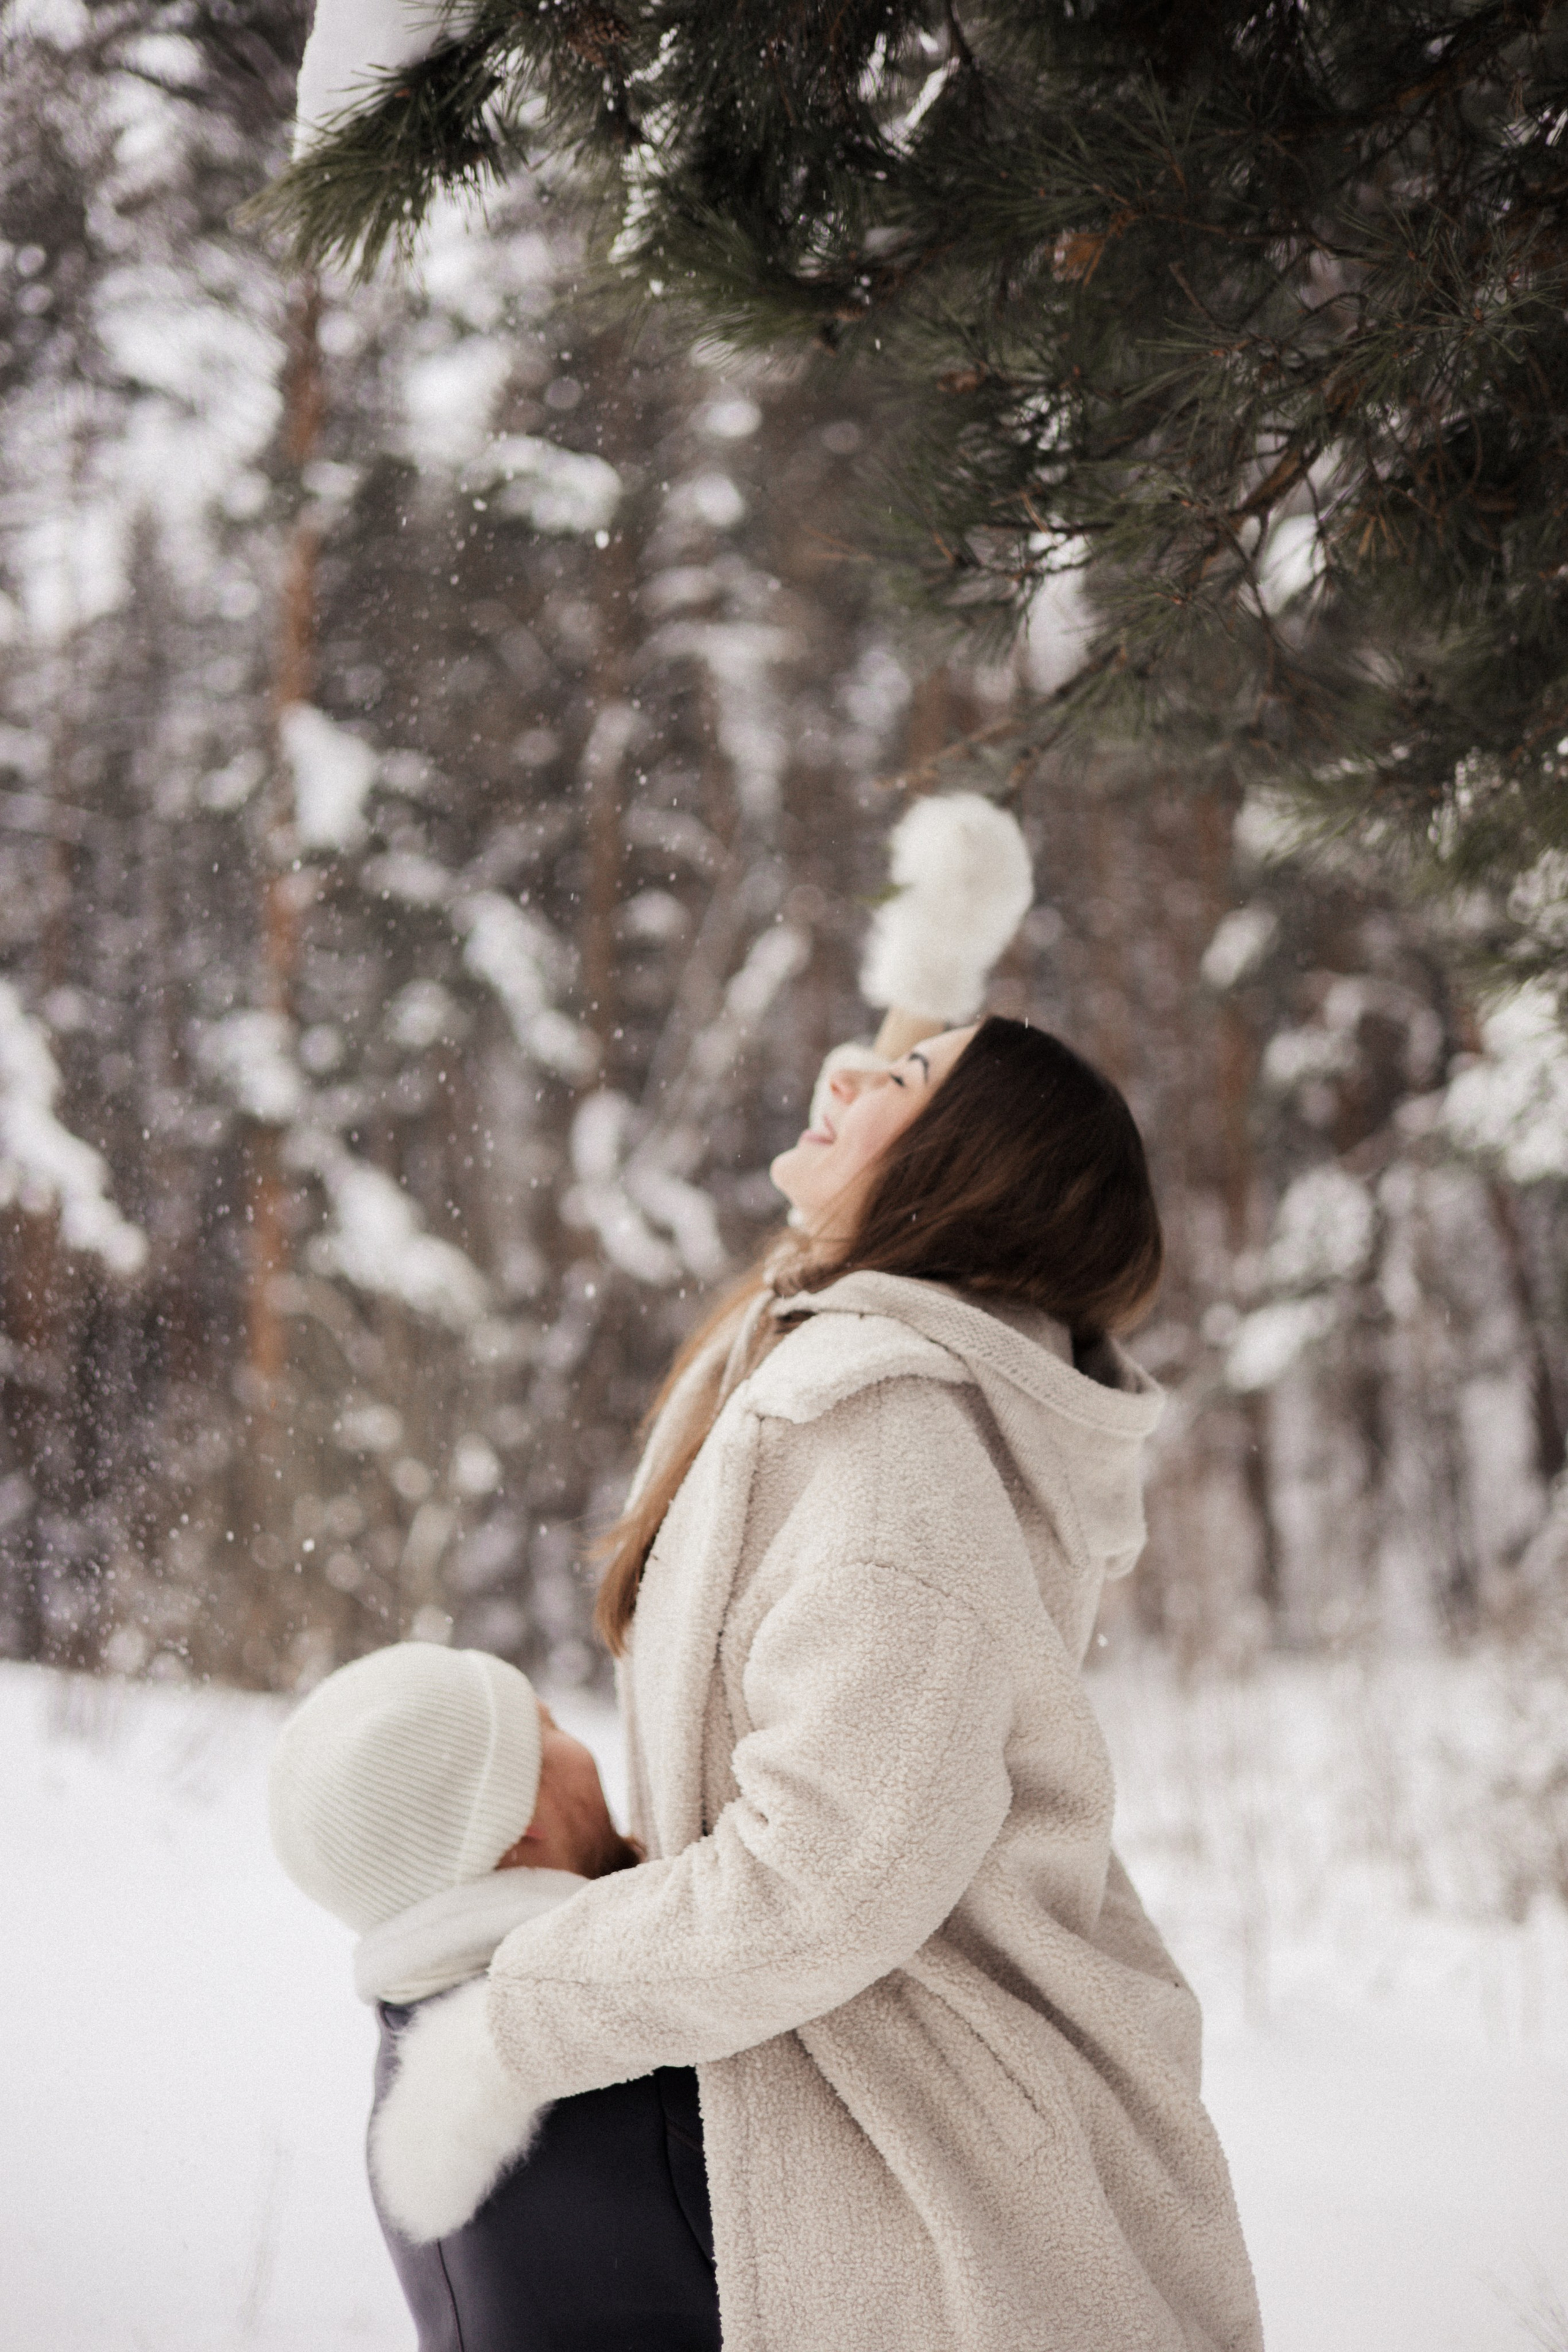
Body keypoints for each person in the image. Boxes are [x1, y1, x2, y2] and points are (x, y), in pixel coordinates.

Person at [268, 1642, 720, 2351]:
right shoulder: (625, 2067)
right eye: (548, 1727)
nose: (580, 1744)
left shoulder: (414, 2059)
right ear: (519, 1819)